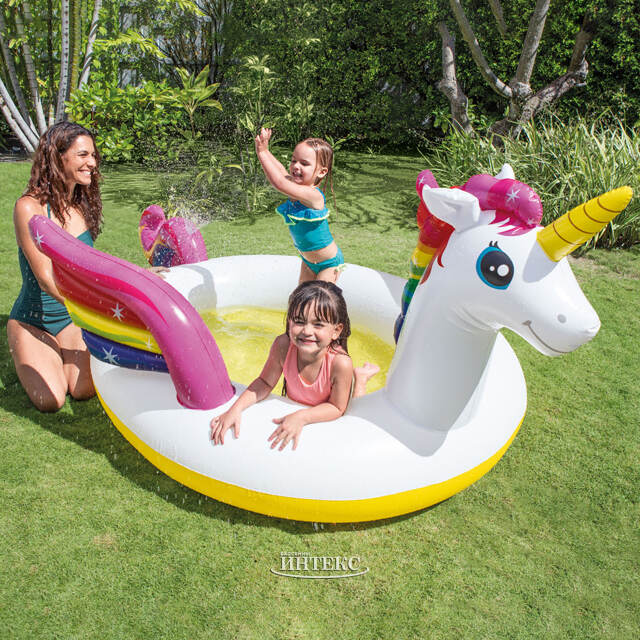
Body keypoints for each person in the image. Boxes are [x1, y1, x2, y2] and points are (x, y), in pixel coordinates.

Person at [210, 281, 379, 451]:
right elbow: (265, 382)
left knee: (355, 412)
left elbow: (337, 408)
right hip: (304, 406)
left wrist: (302, 416)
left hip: (327, 411)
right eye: (299, 321)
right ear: (289, 322)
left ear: (336, 331)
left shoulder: (340, 363)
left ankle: (361, 378)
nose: (307, 331)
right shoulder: (283, 345)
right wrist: (236, 409)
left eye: (318, 324)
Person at [7, 122, 103, 412]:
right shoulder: (29, 207)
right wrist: (93, 308)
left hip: (71, 320)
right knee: (52, 400)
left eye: (93, 155)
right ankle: (31, 348)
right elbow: (46, 279)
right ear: (58, 157)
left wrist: (138, 277)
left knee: (82, 390)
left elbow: (94, 266)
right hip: (33, 320)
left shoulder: (81, 204)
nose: (92, 163)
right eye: (83, 155)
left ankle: (56, 355)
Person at [255, 128, 344, 284]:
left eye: (304, 163)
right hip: (309, 262)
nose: (296, 166)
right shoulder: (297, 187)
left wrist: (261, 153)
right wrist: (266, 151)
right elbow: (281, 172)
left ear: (321, 172)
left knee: (317, 299)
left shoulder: (313, 195)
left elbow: (280, 183)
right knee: (299, 297)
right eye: (294, 160)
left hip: (328, 264)